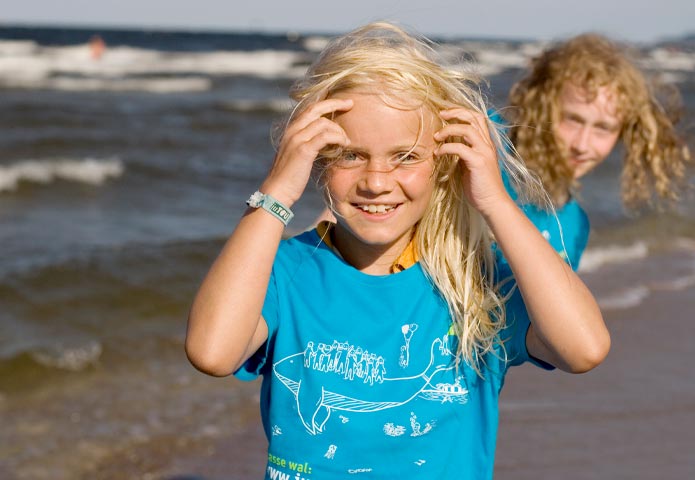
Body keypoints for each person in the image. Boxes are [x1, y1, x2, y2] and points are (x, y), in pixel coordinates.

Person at [185, 22, 609, 479]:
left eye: (406, 157)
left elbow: (583, 349)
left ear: (443, 165)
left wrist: (495, 202)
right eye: (350, 155)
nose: (376, 181)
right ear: (319, 160)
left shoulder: (477, 286)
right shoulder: (286, 271)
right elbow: (212, 353)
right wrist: (277, 191)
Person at [499, 33, 695, 270]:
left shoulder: (574, 225)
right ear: (541, 107)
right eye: (572, 120)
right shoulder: (489, 151)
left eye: (603, 128)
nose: (582, 144)